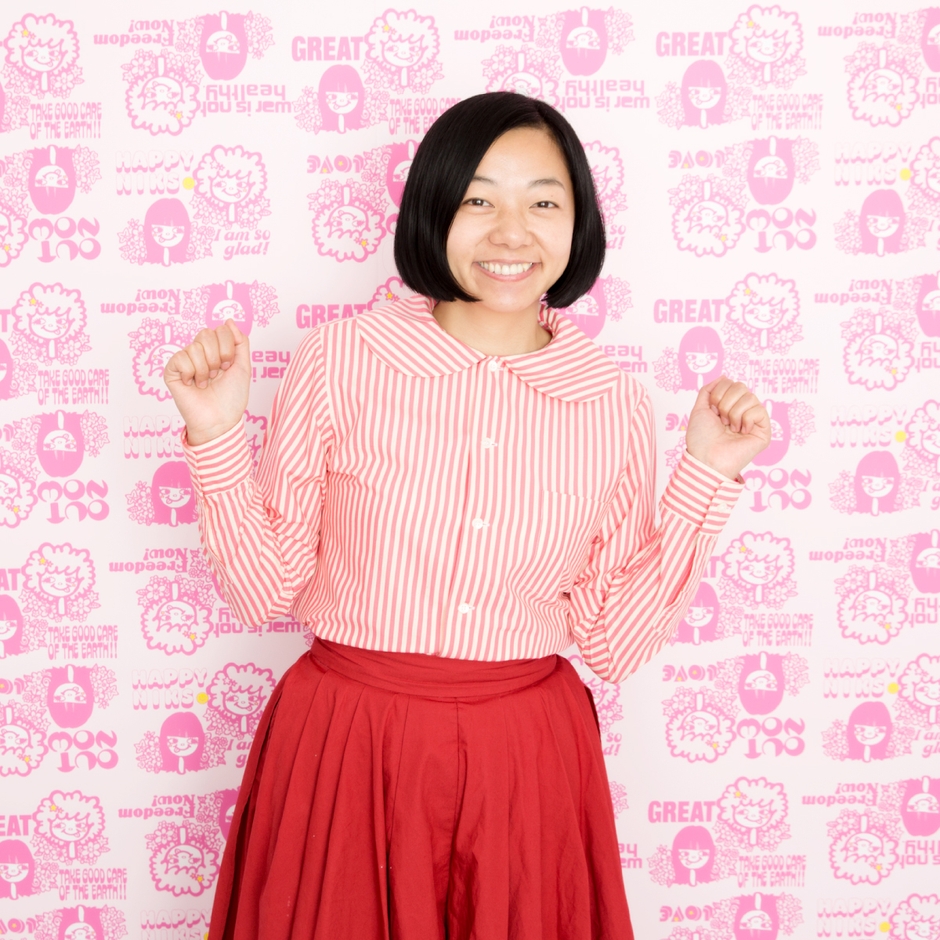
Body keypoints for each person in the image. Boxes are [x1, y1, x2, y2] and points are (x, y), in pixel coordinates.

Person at [164, 91, 770, 940]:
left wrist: (706, 473)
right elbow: (263, 591)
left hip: (525, 754)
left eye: (543, 203)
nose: (511, 233)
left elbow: (613, 642)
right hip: (348, 738)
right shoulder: (342, 360)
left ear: (579, 224)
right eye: (479, 200)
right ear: (434, 209)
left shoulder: (612, 401)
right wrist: (216, 432)